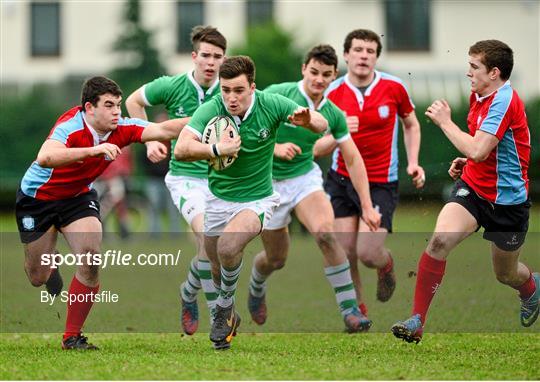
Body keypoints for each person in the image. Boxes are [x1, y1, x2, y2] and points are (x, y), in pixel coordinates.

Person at [15, 76, 187, 350]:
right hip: (38, 199)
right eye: (109, 105)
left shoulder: (123, 128)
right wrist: (94, 150)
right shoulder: (70, 126)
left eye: (118, 105)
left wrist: (210, 118)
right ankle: (50, 266)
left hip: (77, 198)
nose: (117, 111)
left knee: (91, 259)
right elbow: (45, 157)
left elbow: (165, 129)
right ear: (88, 108)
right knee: (37, 276)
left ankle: (72, 336)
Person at [174, 55, 328, 349]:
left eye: (239, 90)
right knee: (215, 265)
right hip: (217, 199)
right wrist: (216, 148)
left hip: (258, 199)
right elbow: (181, 148)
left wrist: (309, 120)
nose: (231, 98)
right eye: (226, 90)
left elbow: (320, 124)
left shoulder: (271, 104)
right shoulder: (212, 109)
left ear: (252, 87)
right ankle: (228, 310)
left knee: (229, 246)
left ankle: (222, 312)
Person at [392, 40, 538, 343]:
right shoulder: (479, 94)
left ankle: (532, 289)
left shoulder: (505, 101)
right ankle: (417, 320)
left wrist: (446, 123)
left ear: (494, 73)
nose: (468, 72)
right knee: (439, 242)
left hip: (508, 203)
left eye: (474, 67)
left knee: (506, 274)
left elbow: (480, 149)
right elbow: (480, 146)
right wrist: (468, 158)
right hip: (473, 188)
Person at [245, 45, 381, 332]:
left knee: (325, 233)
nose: (319, 79)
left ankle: (350, 310)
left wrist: (367, 205)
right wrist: (276, 148)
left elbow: (353, 158)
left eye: (326, 75)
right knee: (276, 259)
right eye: (314, 72)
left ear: (334, 77)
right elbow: (246, 130)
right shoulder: (277, 94)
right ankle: (256, 286)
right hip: (266, 183)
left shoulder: (333, 113)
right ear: (303, 69)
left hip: (304, 178)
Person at [314, 29, 425, 317]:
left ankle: (385, 265)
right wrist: (339, 133)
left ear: (376, 56)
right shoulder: (332, 93)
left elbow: (411, 124)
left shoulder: (394, 87)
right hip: (340, 179)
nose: (364, 56)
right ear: (347, 55)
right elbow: (319, 146)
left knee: (367, 253)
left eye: (370, 51)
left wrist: (413, 161)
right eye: (358, 50)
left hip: (380, 182)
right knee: (345, 250)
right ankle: (357, 309)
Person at [126, 26, 226, 335]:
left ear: (224, 60)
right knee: (208, 238)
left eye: (217, 57)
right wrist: (148, 139)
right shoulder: (171, 86)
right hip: (185, 178)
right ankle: (218, 317)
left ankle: (187, 292)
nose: (211, 62)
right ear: (194, 56)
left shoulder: (231, 91)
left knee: (218, 249)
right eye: (205, 55)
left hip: (223, 182)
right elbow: (133, 101)